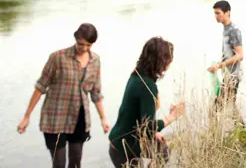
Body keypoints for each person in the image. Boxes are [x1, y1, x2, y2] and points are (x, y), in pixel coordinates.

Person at [17, 23, 110, 168]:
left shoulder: (95, 61)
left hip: (79, 118)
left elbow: (95, 92)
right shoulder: (57, 58)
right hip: (55, 119)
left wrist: (103, 118)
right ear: (76, 38)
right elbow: (40, 86)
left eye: (88, 45)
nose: (84, 48)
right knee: (59, 164)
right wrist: (26, 116)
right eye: (81, 44)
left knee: (76, 162)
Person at [108, 36, 185, 168]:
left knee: (163, 151)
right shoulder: (147, 85)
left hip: (120, 143)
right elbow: (147, 127)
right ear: (160, 61)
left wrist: (155, 133)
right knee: (164, 153)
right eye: (168, 60)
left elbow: (139, 118)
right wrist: (172, 117)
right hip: (124, 149)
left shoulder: (137, 76)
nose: (170, 63)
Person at [207, 0, 244, 122]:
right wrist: (217, 66)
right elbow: (229, 55)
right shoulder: (226, 29)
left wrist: (220, 65)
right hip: (228, 75)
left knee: (216, 108)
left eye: (218, 13)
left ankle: (214, 136)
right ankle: (243, 133)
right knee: (230, 106)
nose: (216, 16)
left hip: (233, 76)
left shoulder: (233, 30)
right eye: (215, 13)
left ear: (227, 12)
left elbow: (239, 55)